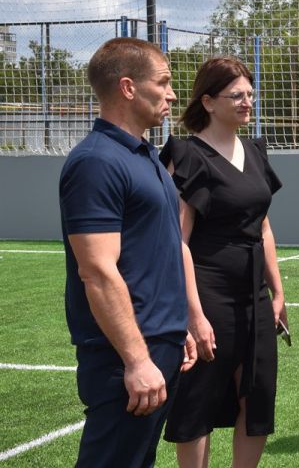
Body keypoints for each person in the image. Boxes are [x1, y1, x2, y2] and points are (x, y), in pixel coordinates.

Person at [59, 37, 196, 467]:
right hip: (124, 355)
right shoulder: (96, 162)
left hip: (158, 341)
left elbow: (160, 249)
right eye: (164, 82)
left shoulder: (146, 156)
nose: (172, 94)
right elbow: (97, 271)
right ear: (128, 87)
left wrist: (179, 326)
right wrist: (137, 359)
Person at [159, 57, 286, 468]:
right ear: (209, 101)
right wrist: (193, 315)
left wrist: (278, 292)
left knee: (258, 396)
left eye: (250, 94)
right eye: (237, 95)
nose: (247, 102)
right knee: (198, 400)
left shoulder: (255, 150)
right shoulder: (187, 154)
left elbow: (263, 228)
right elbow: (178, 241)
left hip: (255, 295)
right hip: (208, 291)